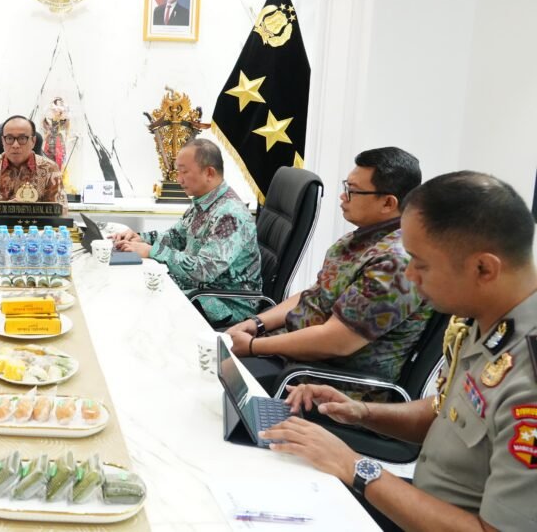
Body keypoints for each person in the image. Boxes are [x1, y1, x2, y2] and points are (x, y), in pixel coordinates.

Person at [263, 171, 537, 532]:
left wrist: (356, 466)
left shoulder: (528, 377)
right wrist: (361, 412)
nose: (409, 275)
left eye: (420, 264)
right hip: (420, 504)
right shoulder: (484, 320)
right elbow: (447, 412)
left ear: (483, 268)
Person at [226, 147, 432, 395]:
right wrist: (256, 324)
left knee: (213, 381)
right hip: (291, 358)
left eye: (353, 191)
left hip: (323, 384)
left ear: (388, 203)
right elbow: (313, 295)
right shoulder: (359, 239)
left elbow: (335, 341)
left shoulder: (394, 262)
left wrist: (253, 346)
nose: (343, 197)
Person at [111, 138, 261, 326]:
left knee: (143, 308)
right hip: (198, 289)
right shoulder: (203, 201)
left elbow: (205, 269)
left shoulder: (230, 215)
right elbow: (176, 237)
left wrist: (151, 251)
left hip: (225, 303)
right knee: (134, 287)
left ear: (209, 173)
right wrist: (140, 238)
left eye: (184, 172)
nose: (179, 179)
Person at [0, 115, 68, 217]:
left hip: (35, 227)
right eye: (9, 138)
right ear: (3, 141)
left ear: (33, 141)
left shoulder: (50, 169)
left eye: (22, 138)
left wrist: (28, 210)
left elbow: (62, 210)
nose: (15, 145)